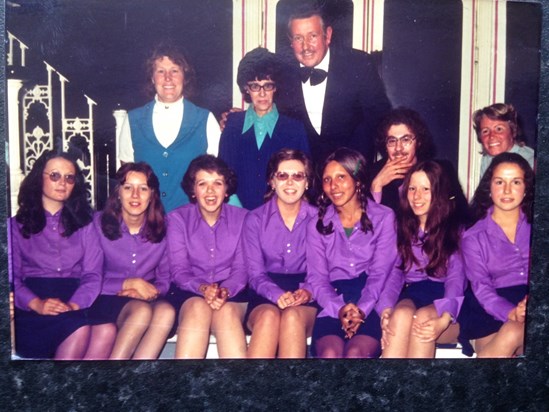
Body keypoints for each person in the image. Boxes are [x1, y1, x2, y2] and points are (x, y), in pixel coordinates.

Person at [11, 149, 104, 359]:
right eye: (54, 175)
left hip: (75, 300)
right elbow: (11, 279)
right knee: (78, 328)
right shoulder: (14, 227)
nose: (62, 182)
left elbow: (92, 275)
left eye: (69, 178)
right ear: (38, 179)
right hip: (31, 307)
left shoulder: (85, 225)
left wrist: (73, 305)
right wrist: (36, 303)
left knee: (103, 329)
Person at [306, 148, 397, 358]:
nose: (333, 186)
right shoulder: (316, 225)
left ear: (357, 181)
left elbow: (379, 274)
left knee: (356, 353)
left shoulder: (384, 217)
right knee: (330, 353)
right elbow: (318, 279)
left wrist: (362, 310)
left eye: (341, 177)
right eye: (327, 179)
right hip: (332, 301)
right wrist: (340, 309)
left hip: (371, 300)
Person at [276, 2, 391, 167]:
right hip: (306, 179)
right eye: (298, 38)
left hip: (351, 173)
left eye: (312, 36)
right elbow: (268, 110)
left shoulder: (358, 64)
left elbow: (380, 121)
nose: (306, 46)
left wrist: (360, 170)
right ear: (291, 42)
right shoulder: (282, 74)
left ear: (327, 35)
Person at [378, 161, 466, 358]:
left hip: (447, 297)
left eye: (426, 189)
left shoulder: (456, 229)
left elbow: (456, 278)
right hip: (415, 292)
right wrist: (385, 310)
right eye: (412, 188)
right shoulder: (403, 227)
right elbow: (396, 272)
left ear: (439, 192)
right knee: (399, 315)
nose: (417, 196)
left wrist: (444, 318)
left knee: (423, 320)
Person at [118, 43, 221, 212]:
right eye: (160, 71)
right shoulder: (133, 120)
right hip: (147, 220)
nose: (168, 78)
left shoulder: (205, 119)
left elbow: (215, 178)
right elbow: (127, 179)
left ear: (184, 76)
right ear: (152, 78)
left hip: (191, 221)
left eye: (174, 70)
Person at [87, 162, 175, 360]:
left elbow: (165, 277)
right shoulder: (97, 224)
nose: (135, 195)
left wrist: (150, 292)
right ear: (118, 192)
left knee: (166, 312)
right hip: (104, 297)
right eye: (128, 188)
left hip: (145, 296)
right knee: (142, 312)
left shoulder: (165, 226)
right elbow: (89, 277)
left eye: (143, 188)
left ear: (152, 194)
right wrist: (128, 283)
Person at [165, 155, 248, 359]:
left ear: (226, 189)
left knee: (227, 314)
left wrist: (223, 292)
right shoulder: (177, 219)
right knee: (197, 309)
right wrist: (203, 289)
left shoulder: (244, 218)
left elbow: (241, 270)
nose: (210, 191)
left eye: (217, 183)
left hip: (233, 291)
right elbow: (179, 270)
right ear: (193, 190)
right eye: (202, 184)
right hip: (190, 290)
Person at [243, 149, 318, 358]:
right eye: (282, 176)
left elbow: (321, 271)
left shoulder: (321, 219)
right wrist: (276, 295)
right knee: (268, 316)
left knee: (292, 317)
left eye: (298, 176)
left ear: (307, 182)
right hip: (264, 293)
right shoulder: (254, 220)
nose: (290, 183)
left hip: (308, 295)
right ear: (272, 181)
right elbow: (255, 274)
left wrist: (308, 291)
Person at [458, 152, 533, 357]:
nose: (507, 190)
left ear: (526, 188)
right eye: (500, 182)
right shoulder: (473, 236)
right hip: (491, 307)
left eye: (515, 182)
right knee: (511, 333)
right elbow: (481, 287)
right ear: (489, 188)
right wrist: (510, 312)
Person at [219, 47, 310, 210]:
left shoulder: (294, 128)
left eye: (267, 86)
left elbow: (303, 178)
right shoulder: (232, 125)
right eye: (255, 86)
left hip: (280, 215)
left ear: (276, 87)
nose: (261, 94)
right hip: (237, 216)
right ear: (246, 88)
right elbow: (223, 176)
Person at [370, 107, 435, 212]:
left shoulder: (435, 171)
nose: (398, 148)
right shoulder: (370, 174)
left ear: (418, 142)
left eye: (405, 140)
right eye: (392, 141)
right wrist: (376, 186)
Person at [472, 103, 535, 177]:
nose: (491, 136)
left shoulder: (531, 160)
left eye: (499, 129)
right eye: (485, 131)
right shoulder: (487, 159)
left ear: (513, 131)